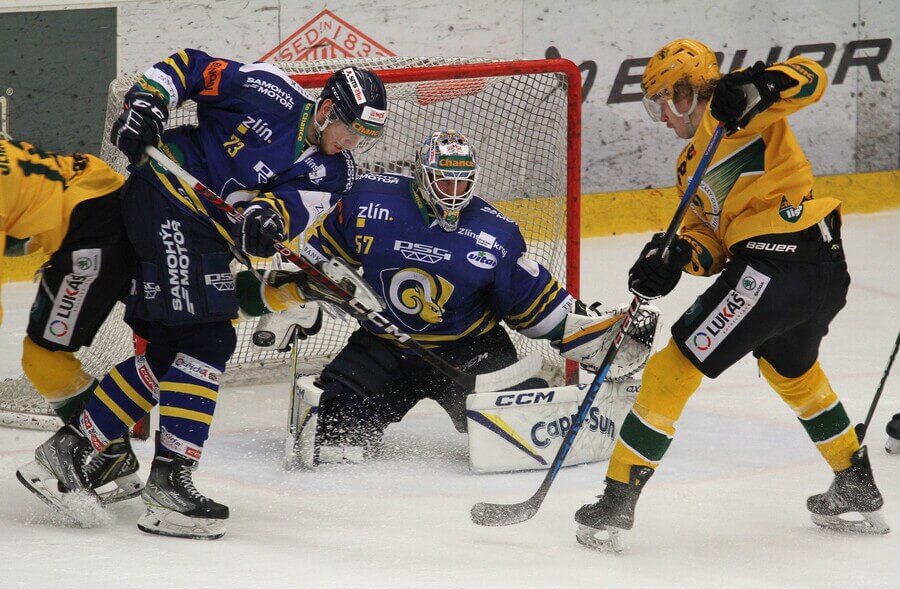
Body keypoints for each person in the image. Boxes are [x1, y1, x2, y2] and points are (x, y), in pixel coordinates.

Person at [17, 48, 387, 539]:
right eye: (350, 128)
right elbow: (190, 66)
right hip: (165, 193)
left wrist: (269, 217)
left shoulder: (335, 171)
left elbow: (291, 208)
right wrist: (148, 102)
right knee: (208, 340)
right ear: (325, 109)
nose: (352, 141)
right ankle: (166, 482)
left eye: (366, 135)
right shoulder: (269, 89)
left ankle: (71, 451)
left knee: (172, 354)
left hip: (205, 236)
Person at [574, 39, 889, 553]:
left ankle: (614, 502)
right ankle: (855, 483)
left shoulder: (741, 103)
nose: (660, 118)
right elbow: (712, 247)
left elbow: (811, 78)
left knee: (670, 371)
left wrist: (761, 85)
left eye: (660, 103)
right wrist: (676, 257)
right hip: (813, 269)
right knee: (794, 375)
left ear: (681, 92)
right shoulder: (687, 168)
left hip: (779, 259)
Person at [268, 129, 658, 465]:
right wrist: (302, 296)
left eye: (462, 181)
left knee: (528, 440)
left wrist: (591, 334)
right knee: (329, 437)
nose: (454, 192)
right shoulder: (366, 200)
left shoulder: (496, 233)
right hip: (382, 346)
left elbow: (534, 305)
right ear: (422, 176)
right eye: (444, 181)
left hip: (468, 351)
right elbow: (319, 260)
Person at [1, 138, 145, 502]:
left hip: (88, 230)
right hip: (100, 195)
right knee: (173, 314)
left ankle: (106, 449)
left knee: (43, 357)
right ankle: (279, 293)